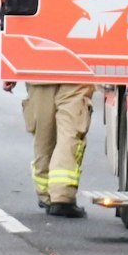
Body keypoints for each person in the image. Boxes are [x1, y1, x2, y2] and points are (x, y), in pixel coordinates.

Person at [23, 82, 95, 218]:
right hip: (77, 69)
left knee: (43, 132)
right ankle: (61, 195)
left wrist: (11, 73)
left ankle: (46, 194)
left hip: (38, 69)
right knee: (70, 130)